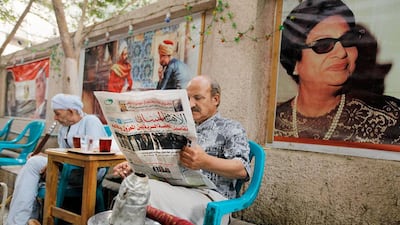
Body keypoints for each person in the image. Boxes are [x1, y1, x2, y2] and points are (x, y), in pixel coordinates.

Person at [113, 75, 251, 225]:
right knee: (133, 186)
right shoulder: (179, 126)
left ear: (215, 99)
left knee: (141, 192)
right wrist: (137, 168)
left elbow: (242, 169)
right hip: (175, 190)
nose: (191, 104)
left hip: (211, 200)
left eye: (198, 98)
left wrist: (205, 162)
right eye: (188, 98)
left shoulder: (231, 128)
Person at [274, 0, 400, 145]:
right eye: (323, 44)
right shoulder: (270, 122)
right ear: (294, 62)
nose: (341, 53)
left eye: (348, 40)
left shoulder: (392, 117)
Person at [6, 93, 108, 225]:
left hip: (87, 173)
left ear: (71, 111)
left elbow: (94, 153)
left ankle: (19, 221)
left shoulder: (91, 121)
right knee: (33, 160)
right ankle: (25, 219)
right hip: (66, 169)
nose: (55, 117)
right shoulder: (64, 127)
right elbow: (62, 152)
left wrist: (56, 162)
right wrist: (48, 158)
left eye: (57, 113)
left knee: (33, 165)